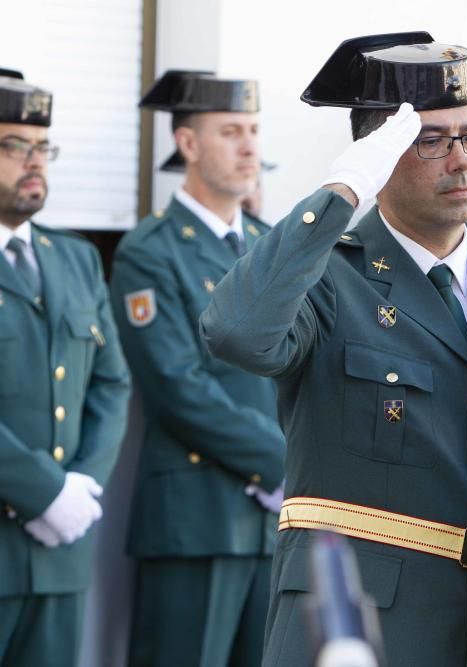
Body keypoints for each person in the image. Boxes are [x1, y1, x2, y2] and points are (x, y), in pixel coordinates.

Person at [200, 32, 467, 667]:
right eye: (430, 140)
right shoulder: (328, 277)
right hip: (362, 631)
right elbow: (237, 330)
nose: (461, 160)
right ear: (379, 153)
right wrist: (341, 195)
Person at [110, 70, 285, 667]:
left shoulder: (268, 243)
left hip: (276, 525)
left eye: (255, 131)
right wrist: (280, 462)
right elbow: (175, 386)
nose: (249, 147)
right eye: (231, 131)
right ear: (187, 144)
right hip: (196, 515)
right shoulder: (152, 249)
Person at [0, 69, 130, 666]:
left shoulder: (74, 258)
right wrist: (44, 492)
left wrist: (82, 485)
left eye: (41, 147)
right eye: (12, 145)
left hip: (60, 553)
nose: (34, 162)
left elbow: (110, 382)